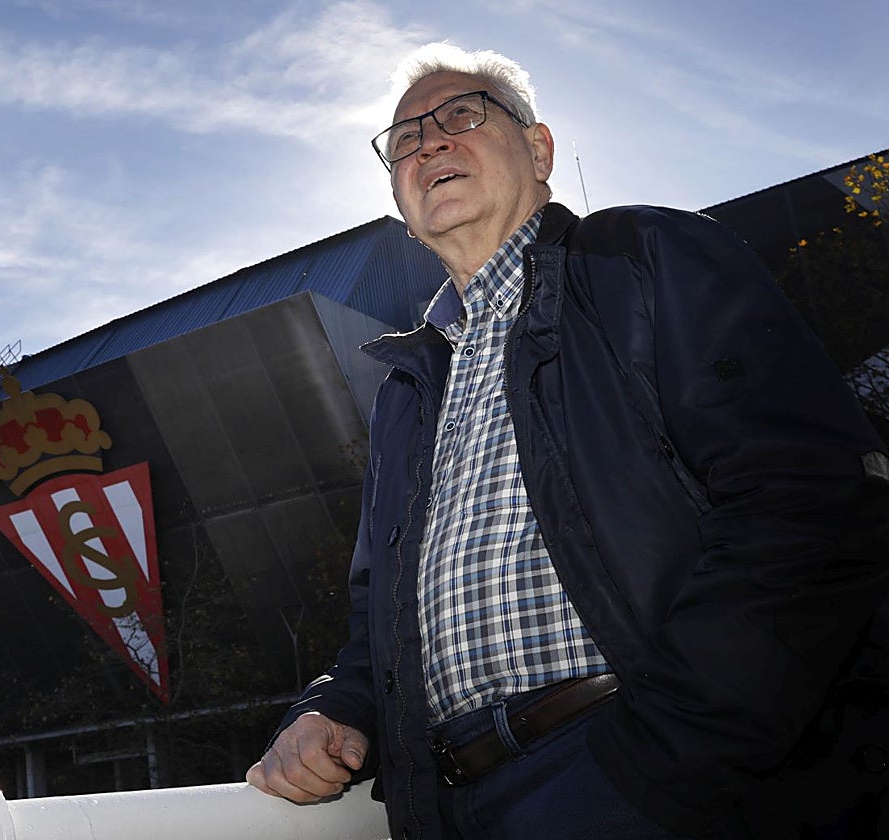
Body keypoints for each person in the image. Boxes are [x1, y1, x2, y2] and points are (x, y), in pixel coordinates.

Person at [246, 42, 889, 839]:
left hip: (639, 775)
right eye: (406, 138)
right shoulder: (405, 391)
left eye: (462, 115)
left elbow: (807, 497)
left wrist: (671, 756)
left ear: (540, 149)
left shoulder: (643, 258)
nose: (430, 143)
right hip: (449, 804)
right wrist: (328, 711)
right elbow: (376, 624)